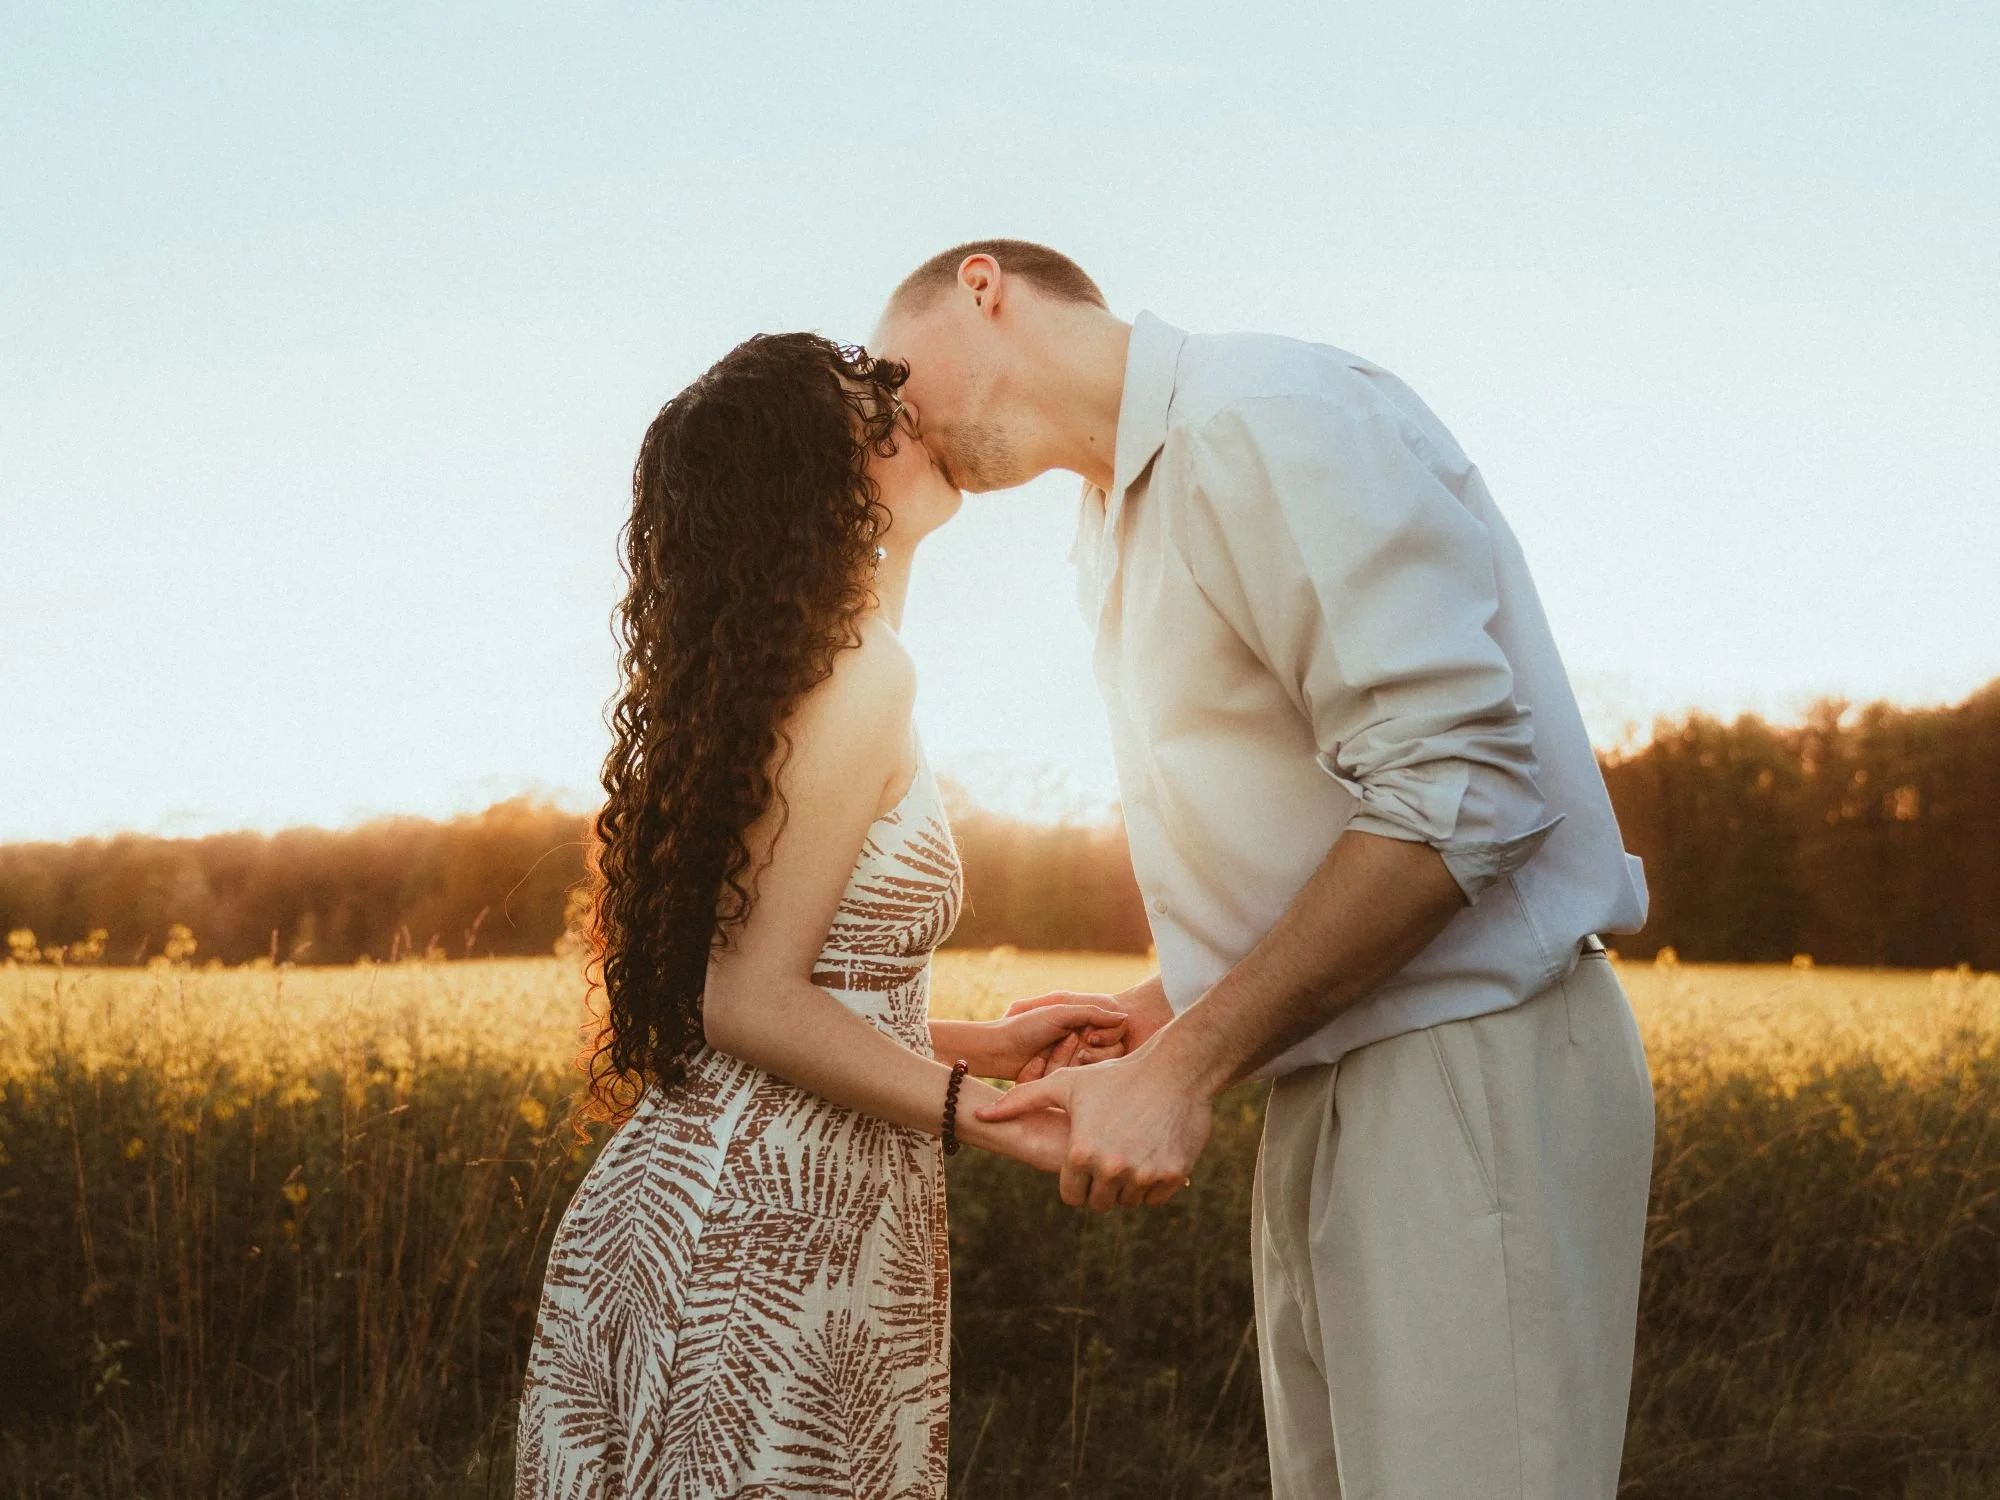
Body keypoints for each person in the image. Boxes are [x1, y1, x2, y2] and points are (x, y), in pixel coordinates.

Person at [871, 241, 1657, 1498]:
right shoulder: (1115, 519)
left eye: (890, 366)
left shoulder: (1263, 417)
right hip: (1328, 1067)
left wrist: (1183, 1067)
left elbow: (1460, 793)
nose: (887, 410)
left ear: (981, 285)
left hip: (1466, 1064)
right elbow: (1326, 832)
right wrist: (1154, 1014)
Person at [513, 332, 1123, 1499]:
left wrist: (976, 1043)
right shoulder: (858, 676)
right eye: (874, 420)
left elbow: (774, 993)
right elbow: (743, 1002)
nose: (912, 424)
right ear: (820, 491)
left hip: (728, 1199)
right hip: (762, 1230)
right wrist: (984, 1112)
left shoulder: (815, 672)